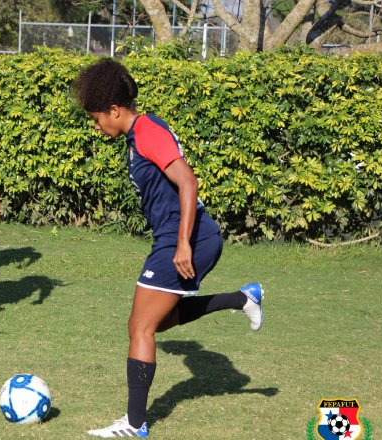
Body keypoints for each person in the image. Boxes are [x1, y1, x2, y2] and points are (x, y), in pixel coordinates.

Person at [73, 59, 264, 438]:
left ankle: (135, 425)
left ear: (114, 110)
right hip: (180, 237)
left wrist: (181, 245)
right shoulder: (138, 134)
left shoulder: (147, 132)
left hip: (186, 238)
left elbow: (188, 183)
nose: (97, 127)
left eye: (97, 118)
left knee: (140, 327)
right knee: (157, 322)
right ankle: (242, 298)